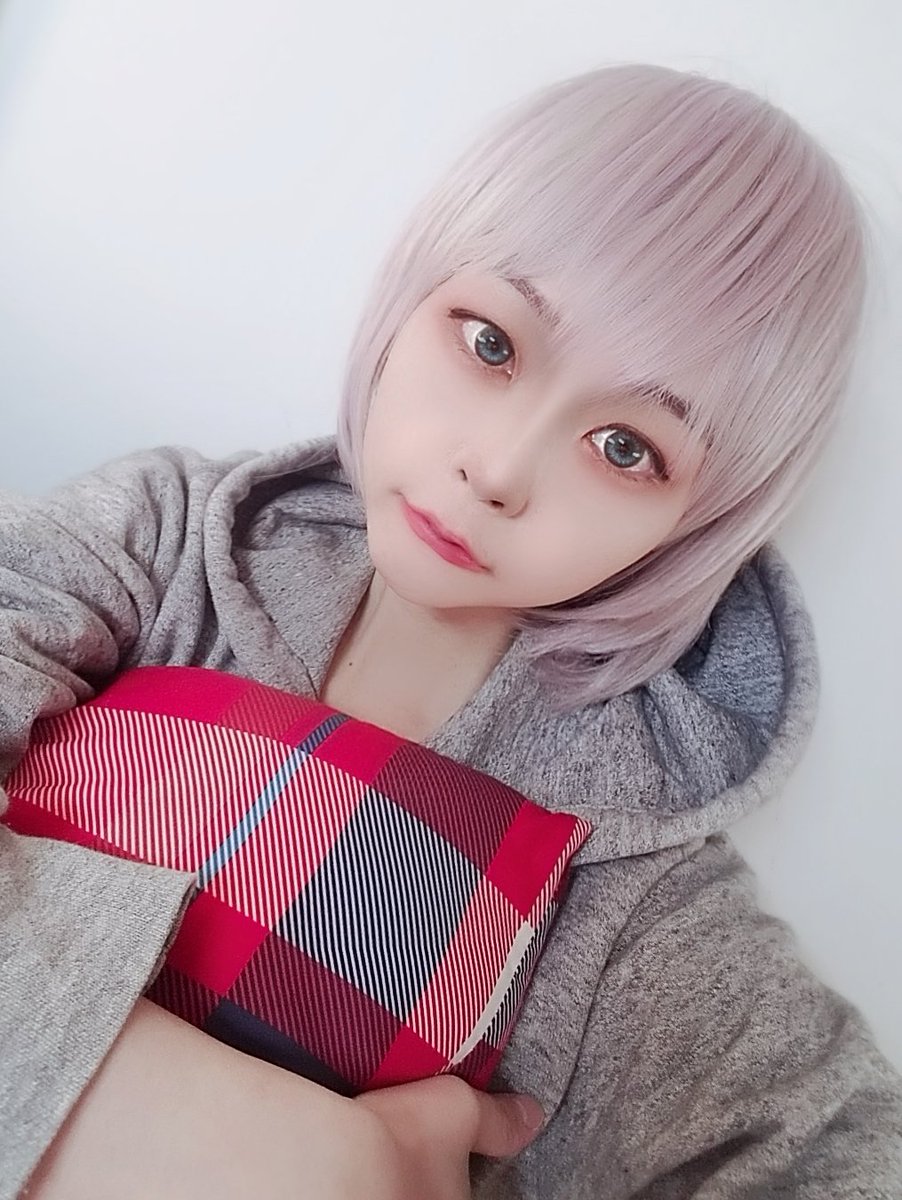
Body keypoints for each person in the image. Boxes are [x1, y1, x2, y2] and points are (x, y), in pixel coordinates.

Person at [2, 61, 901, 1198]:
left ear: (701, 517)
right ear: (413, 294)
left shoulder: (631, 890)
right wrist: (294, 1156)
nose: (499, 469)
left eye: (625, 448)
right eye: (490, 343)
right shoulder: (160, 536)